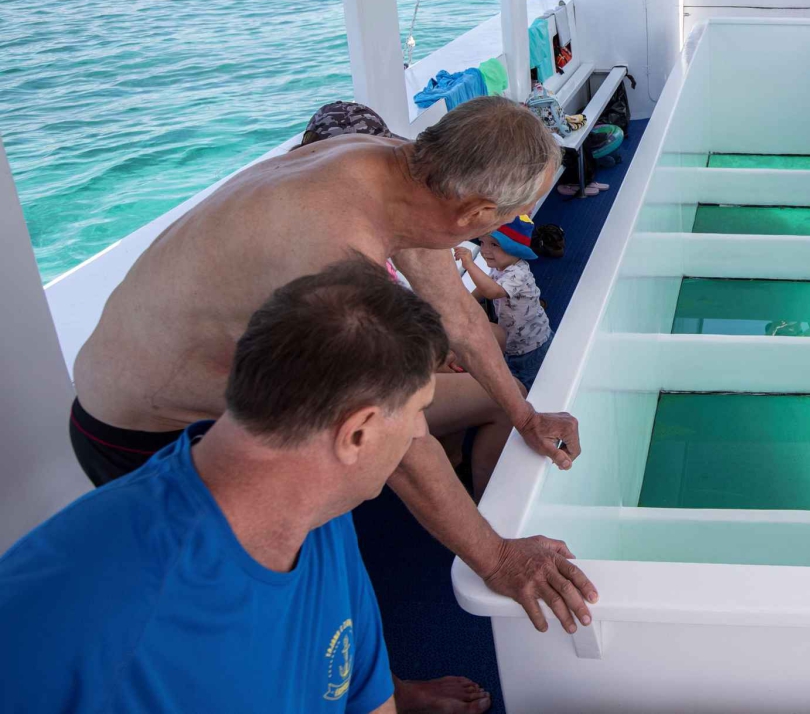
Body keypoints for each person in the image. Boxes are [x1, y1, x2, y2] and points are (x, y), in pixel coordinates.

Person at [68, 96, 595, 639]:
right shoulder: (334, 258)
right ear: (476, 216)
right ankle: (372, 689)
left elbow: (459, 316)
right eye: (511, 215)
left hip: (247, 394)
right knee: (262, 595)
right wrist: (499, 561)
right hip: (146, 432)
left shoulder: (401, 170)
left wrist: (526, 416)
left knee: (338, 528)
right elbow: (403, 446)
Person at [0, 260, 532, 713]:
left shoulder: (321, 510)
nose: (421, 434)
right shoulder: (80, 612)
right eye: (419, 414)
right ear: (359, 434)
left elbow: (364, 696)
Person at [455, 218, 554, 391]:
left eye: (494, 245)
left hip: (530, 346)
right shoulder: (500, 268)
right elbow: (484, 288)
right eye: (483, 242)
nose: (485, 250)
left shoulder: (518, 273)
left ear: (516, 249)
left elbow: (492, 292)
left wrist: (469, 264)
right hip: (514, 342)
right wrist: (467, 302)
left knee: (531, 385)